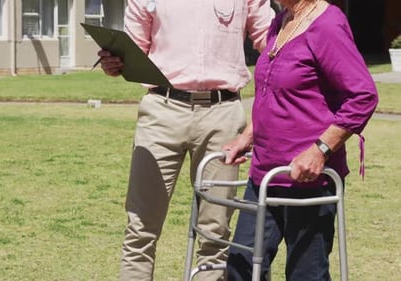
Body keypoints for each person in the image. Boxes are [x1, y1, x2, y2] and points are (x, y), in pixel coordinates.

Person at [96, 1, 274, 280]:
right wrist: (113, 63)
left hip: (223, 114)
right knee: (140, 228)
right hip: (161, 111)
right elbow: (132, 52)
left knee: (215, 232)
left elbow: (272, 40)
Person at [221, 0, 379, 280]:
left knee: (305, 274)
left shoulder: (328, 24)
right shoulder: (279, 22)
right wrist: (246, 137)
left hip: (309, 179)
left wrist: (320, 150)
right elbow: (271, 93)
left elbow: (363, 95)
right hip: (264, 175)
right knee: (241, 266)